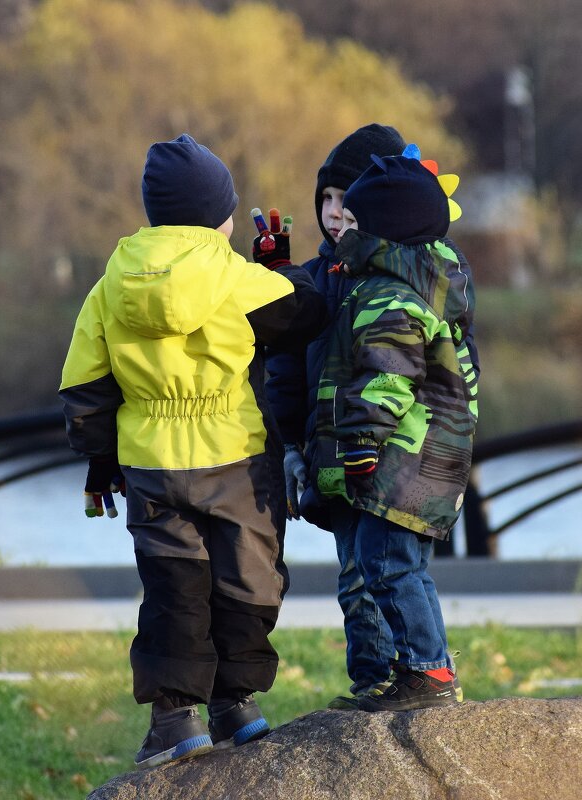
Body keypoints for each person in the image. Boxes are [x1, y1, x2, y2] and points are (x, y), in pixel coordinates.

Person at [59, 133, 324, 766]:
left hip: (151, 461)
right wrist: (276, 269)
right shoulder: (236, 277)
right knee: (247, 578)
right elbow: (308, 314)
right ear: (221, 215)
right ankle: (237, 705)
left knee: (173, 584)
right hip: (235, 457)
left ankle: (175, 720)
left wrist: (101, 460)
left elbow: (84, 385)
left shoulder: (110, 284)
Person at [265, 126, 479, 709]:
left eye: (350, 211)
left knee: (386, 566)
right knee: (369, 569)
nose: (337, 219)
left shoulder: (389, 295)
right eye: (329, 203)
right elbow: (295, 351)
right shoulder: (381, 280)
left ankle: (425, 673)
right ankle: (385, 679)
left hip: (390, 461)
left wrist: (360, 444)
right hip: (366, 457)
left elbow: (384, 378)